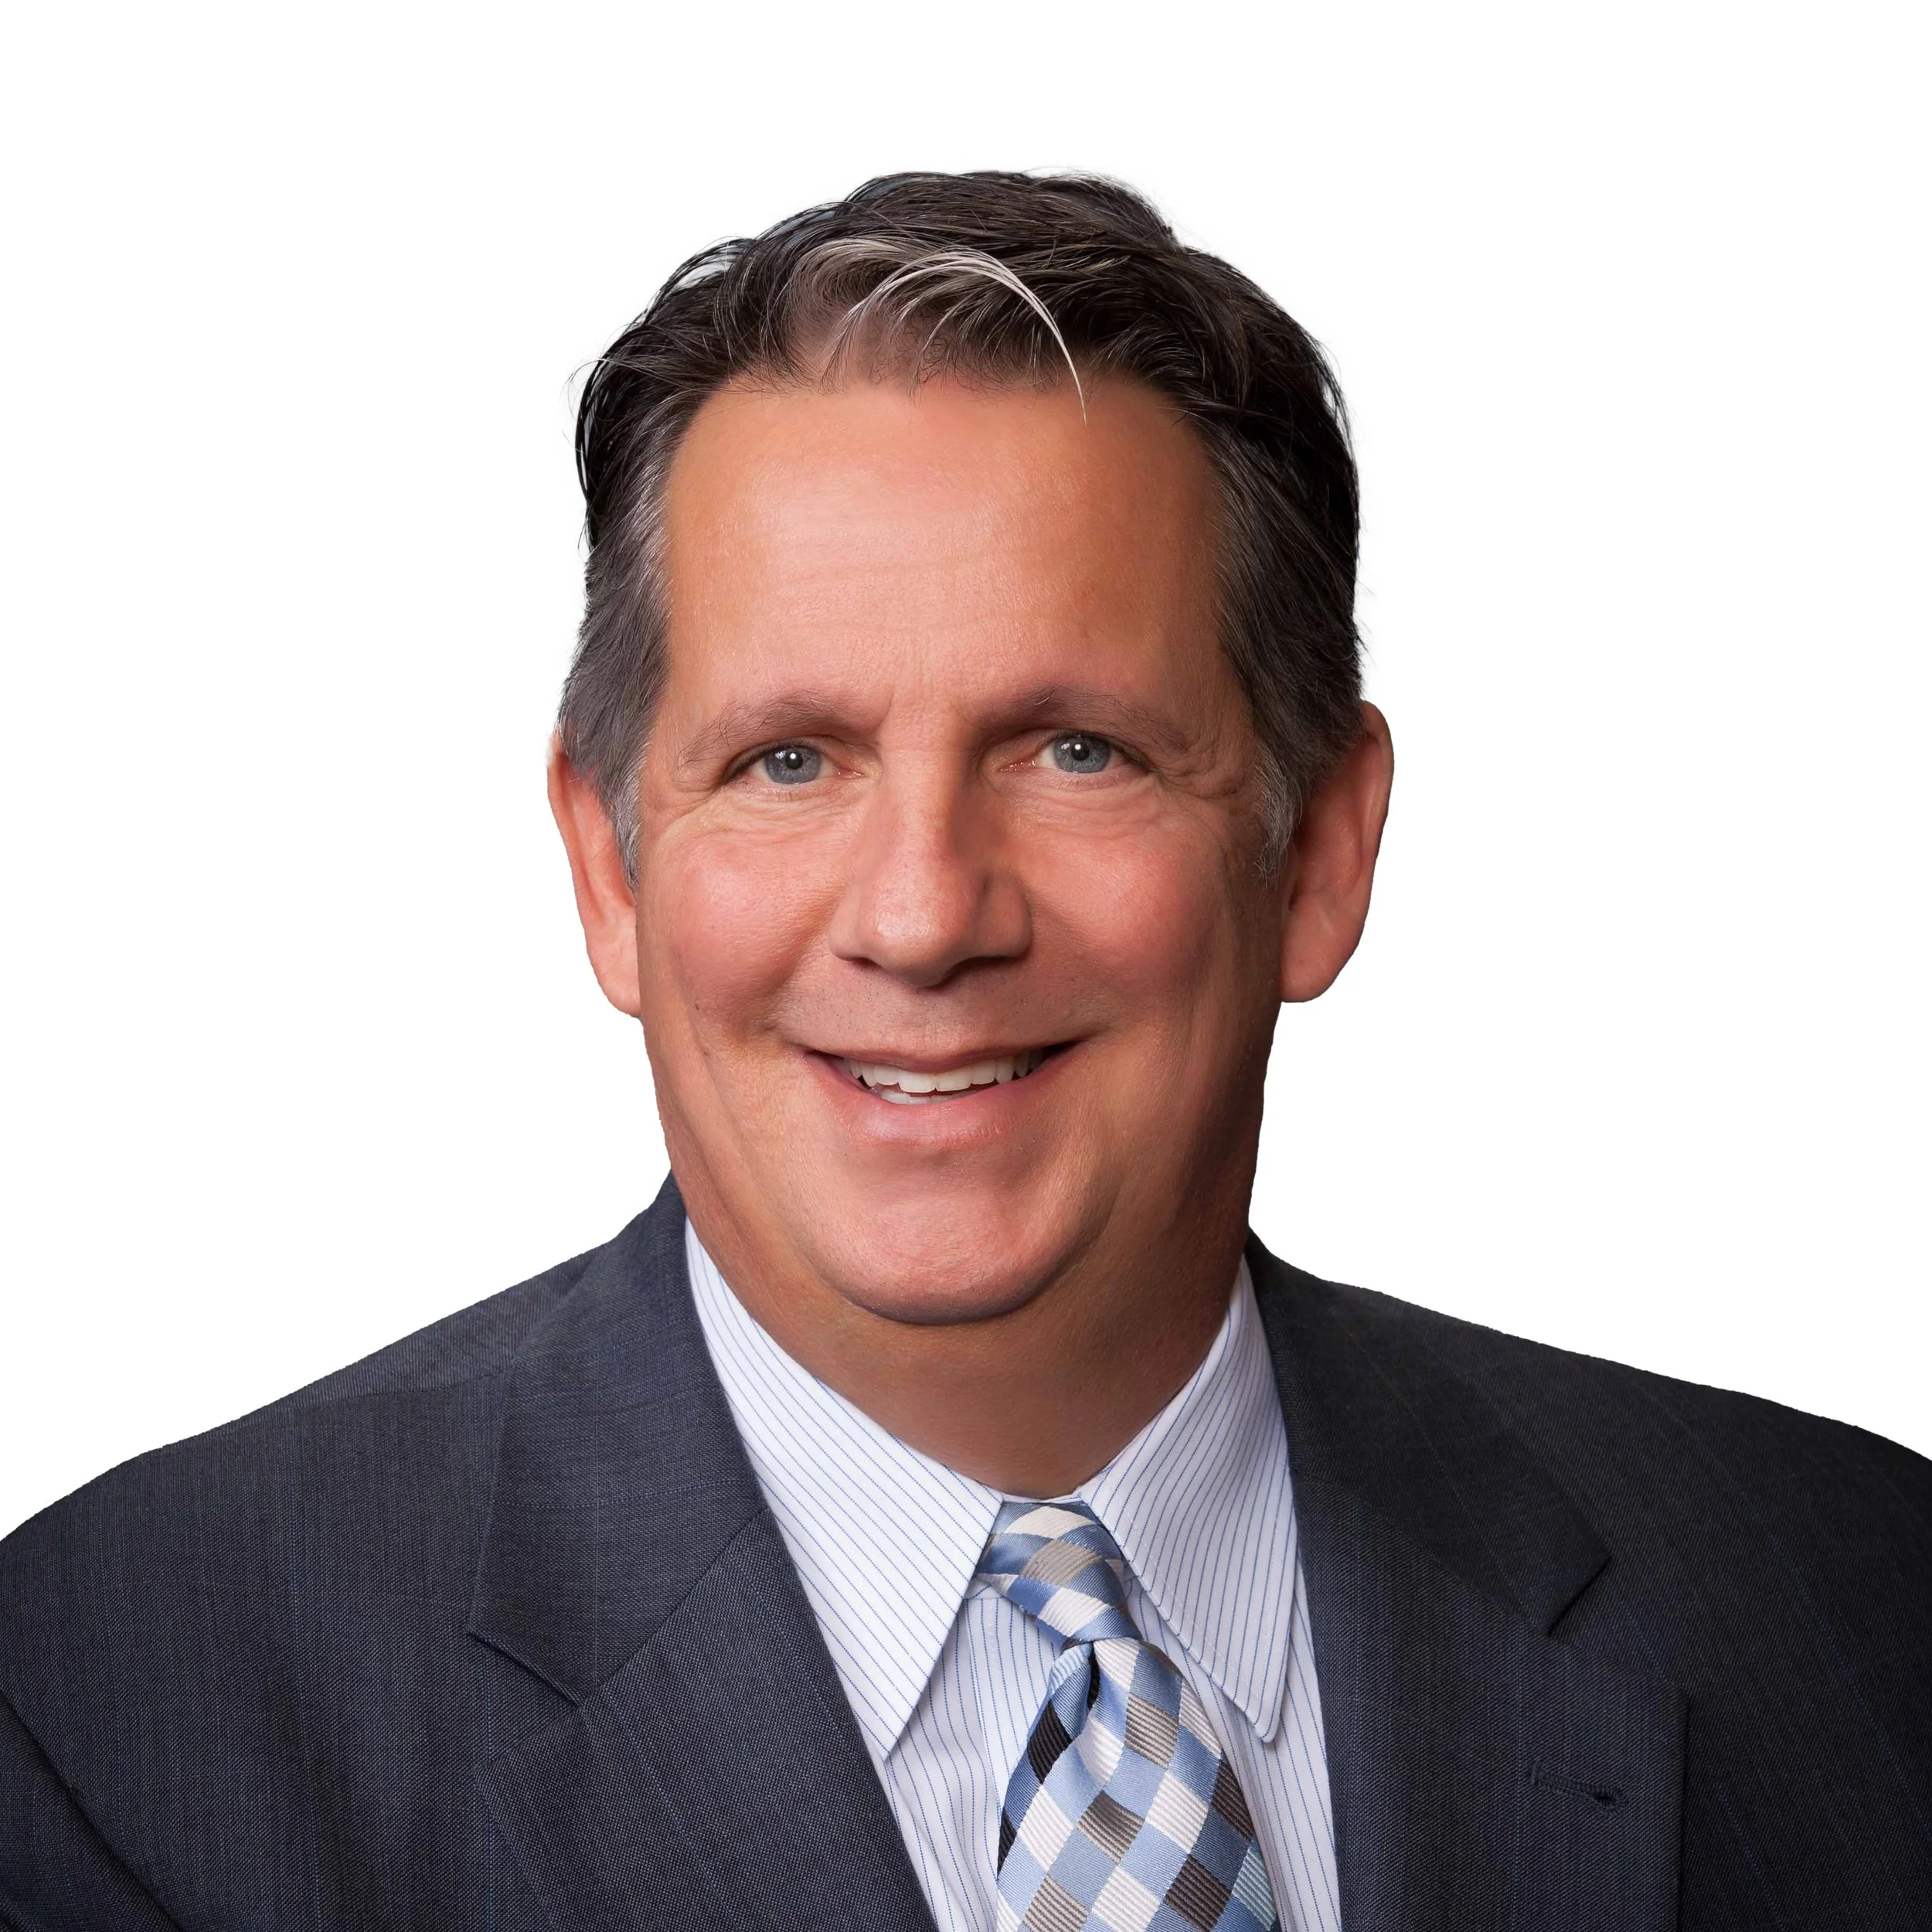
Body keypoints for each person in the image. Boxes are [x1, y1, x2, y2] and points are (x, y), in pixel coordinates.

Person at [1, 171, 1925, 1932]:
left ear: (1319, 849)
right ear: (607, 867)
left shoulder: (1854, 1599)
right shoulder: (117, 1699)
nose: (923, 914)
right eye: (786, 759)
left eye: (1073, 747)